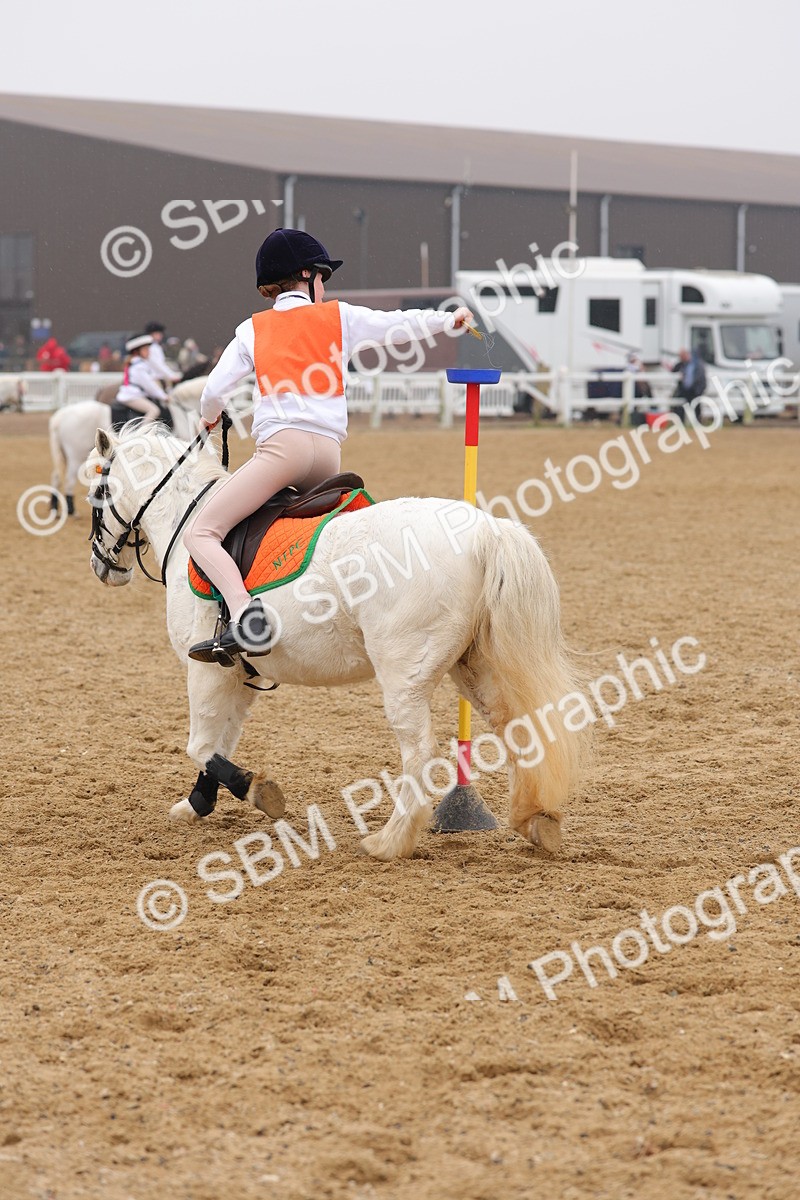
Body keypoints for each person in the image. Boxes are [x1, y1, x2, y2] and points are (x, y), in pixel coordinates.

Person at [185, 226, 474, 665]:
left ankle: (245, 616)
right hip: (329, 458)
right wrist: (445, 320)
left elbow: (214, 391)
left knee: (201, 532)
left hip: (283, 452)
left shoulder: (252, 330)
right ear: (307, 275)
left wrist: (209, 419)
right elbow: (398, 326)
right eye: (323, 277)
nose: (326, 287)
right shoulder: (339, 317)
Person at [115, 334, 169, 422]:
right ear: (137, 351)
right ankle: (142, 433)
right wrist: (164, 396)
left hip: (135, 395)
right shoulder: (139, 366)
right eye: (146, 349)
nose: (149, 352)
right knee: (154, 410)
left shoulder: (139, 364)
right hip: (131, 396)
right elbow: (149, 385)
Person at [144, 321, 182, 386]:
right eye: (158, 333)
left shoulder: (156, 346)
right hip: (153, 379)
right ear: (152, 334)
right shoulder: (151, 348)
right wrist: (171, 375)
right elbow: (158, 364)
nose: (161, 335)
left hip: (157, 377)